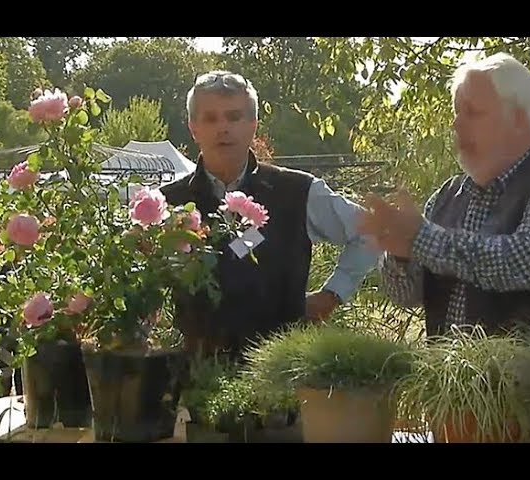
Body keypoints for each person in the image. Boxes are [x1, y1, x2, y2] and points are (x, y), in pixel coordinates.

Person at [358, 52, 530, 338]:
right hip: (449, 381)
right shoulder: (447, 195)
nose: (456, 123)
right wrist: (399, 254)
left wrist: (421, 239)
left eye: (473, 112)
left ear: (518, 119)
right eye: (456, 111)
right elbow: (404, 296)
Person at [160, 70, 380, 358]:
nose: (223, 128)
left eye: (234, 116)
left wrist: (332, 294)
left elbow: (371, 231)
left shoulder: (297, 191)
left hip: (279, 373)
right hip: (193, 374)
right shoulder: (167, 202)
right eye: (211, 118)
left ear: (253, 125)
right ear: (193, 128)